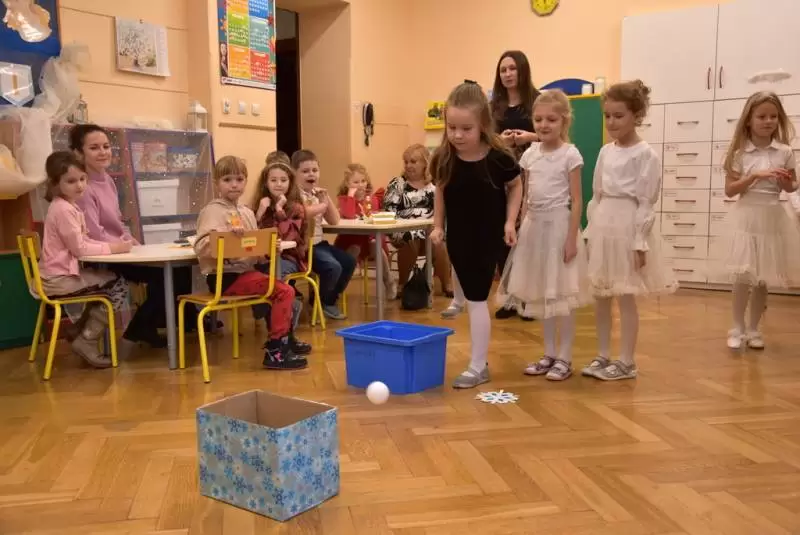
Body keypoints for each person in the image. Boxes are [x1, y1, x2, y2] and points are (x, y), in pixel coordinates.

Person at [70, 124, 198, 348]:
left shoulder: (107, 180)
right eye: (94, 148)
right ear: (79, 153)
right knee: (164, 274)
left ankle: (178, 321)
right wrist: (124, 246)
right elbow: (93, 233)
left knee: (181, 267)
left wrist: (131, 241)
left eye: (106, 146)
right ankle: (142, 325)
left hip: (119, 250)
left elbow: (117, 222)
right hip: (103, 255)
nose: (103, 152)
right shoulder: (84, 188)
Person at [430, 81, 523, 389]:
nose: (457, 135)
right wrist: (438, 225)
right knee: (472, 296)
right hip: (459, 238)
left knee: (478, 298)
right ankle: (478, 360)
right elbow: (440, 191)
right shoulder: (444, 158)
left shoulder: (498, 157)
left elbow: (516, 185)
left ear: (483, 124)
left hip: (487, 238)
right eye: (452, 127)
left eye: (466, 129)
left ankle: (478, 365)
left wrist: (510, 222)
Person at [583, 80, 678, 381]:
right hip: (604, 226)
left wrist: (639, 241)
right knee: (601, 295)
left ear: (636, 116)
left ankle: (626, 361)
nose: (611, 122)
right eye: (607, 115)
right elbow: (596, 194)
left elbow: (646, 201)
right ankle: (602, 354)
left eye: (618, 115)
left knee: (625, 295)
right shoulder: (605, 152)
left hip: (627, 226)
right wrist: (589, 233)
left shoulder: (645, 154)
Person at [496, 90, 591, 381]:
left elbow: (577, 200)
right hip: (534, 229)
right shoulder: (530, 155)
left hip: (559, 229)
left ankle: (565, 357)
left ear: (564, 121)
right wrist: (520, 226)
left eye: (551, 119)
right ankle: (549, 353)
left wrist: (572, 238)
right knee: (542, 295)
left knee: (561, 296)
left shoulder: (570, 154)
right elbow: (525, 195)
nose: (544, 125)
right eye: (538, 119)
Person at [194, 156, 308, 369]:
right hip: (224, 277)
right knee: (284, 291)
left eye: (239, 179)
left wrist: (268, 248)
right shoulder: (212, 211)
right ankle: (276, 351)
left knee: (281, 290)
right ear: (217, 183)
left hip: (245, 273)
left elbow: (253, 251)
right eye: (227, 180)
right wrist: (227, 237)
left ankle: (283, 343)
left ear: (246, 182)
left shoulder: (246, 212)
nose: (234, 185)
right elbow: (201, 246)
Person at [719, 91, 800, 350]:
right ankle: (737, 327)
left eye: (773, 116)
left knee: (763, 278)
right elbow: (730, 190)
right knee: (743, 275)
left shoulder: (784, 152)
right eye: (762, 116)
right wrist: (754, 177)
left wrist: (786, 181)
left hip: (772, 218)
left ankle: (754, 328)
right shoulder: (740, 153)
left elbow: (791, 186)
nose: (768, 121)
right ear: (749, 120)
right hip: (746, 218)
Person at [38, 151, 132, 368]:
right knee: (117, 284)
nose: (80, 185)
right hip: (58, 279)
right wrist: (114, 248)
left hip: (55, 274)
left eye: (82, 179)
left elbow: (81, 240)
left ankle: (79, 328)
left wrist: (110, 245)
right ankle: (87, 339)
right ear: (55, 184)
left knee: (107, 281)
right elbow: (79, 249)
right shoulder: (64, 210)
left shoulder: (67, 206)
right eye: (71, 181)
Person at [489, 50, 541, 320]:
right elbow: (485, 139)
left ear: (522, 70)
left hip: (534, 176)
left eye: (512, 69)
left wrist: (529, 137)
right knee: (504, 235)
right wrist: (502, 140)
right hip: (501, 176)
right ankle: (509, 297)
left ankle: (528, 298)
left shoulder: (537, 101)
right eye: (503, 70)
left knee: (527, 236)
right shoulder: (493, 107)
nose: (507, 74)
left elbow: (555, 135)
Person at [250, 161, 311, 355]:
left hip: (289, 257)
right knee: (256, 277)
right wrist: (259, 213)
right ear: (265, 183)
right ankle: (284, 336)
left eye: (283, 180)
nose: (278, 184)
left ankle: (280, 335)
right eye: (273, 180)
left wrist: (279, 210)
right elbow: (250, 236)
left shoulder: (296, 208)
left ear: (290, 183)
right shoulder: (259, 205)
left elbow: (290, 237)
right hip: (263, 258)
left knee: (274, 279)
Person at [292, 149, 356, 320]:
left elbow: (334, 220)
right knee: (332, 266)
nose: (311, 174)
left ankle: (327, 299)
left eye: (315, 170)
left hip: (320, 244)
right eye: (305, 171)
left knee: (349, 261)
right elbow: (303, 213)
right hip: (305, 247)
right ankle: (324, 303)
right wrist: (320, 205)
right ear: (294, 174)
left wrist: (325, 200)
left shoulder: (317, 194)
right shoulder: (294, 195)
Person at [383, 144, 453, 297]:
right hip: (403, 232)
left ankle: (447, 284)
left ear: (425, 164)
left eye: (413, 162)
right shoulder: (397, 184)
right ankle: (402, 284)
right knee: (411, 237)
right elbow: (389, 212)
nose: (408, 165)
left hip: (429, 232)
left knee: (438, 242)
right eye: (406, 162)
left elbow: (443, 212)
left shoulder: (435, 184)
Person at [335, 163, 396, 299]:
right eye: (356, 182)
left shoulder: (371, 199)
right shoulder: (345, 200)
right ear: (347, 184)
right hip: (350, 241)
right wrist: (351, 196)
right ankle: (339, 287)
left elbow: (371, 218)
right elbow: (349, 215)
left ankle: (389, 281)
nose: (361, 185)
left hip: (369, 240)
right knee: (354, 249)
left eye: (363, 181)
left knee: (376, 246)